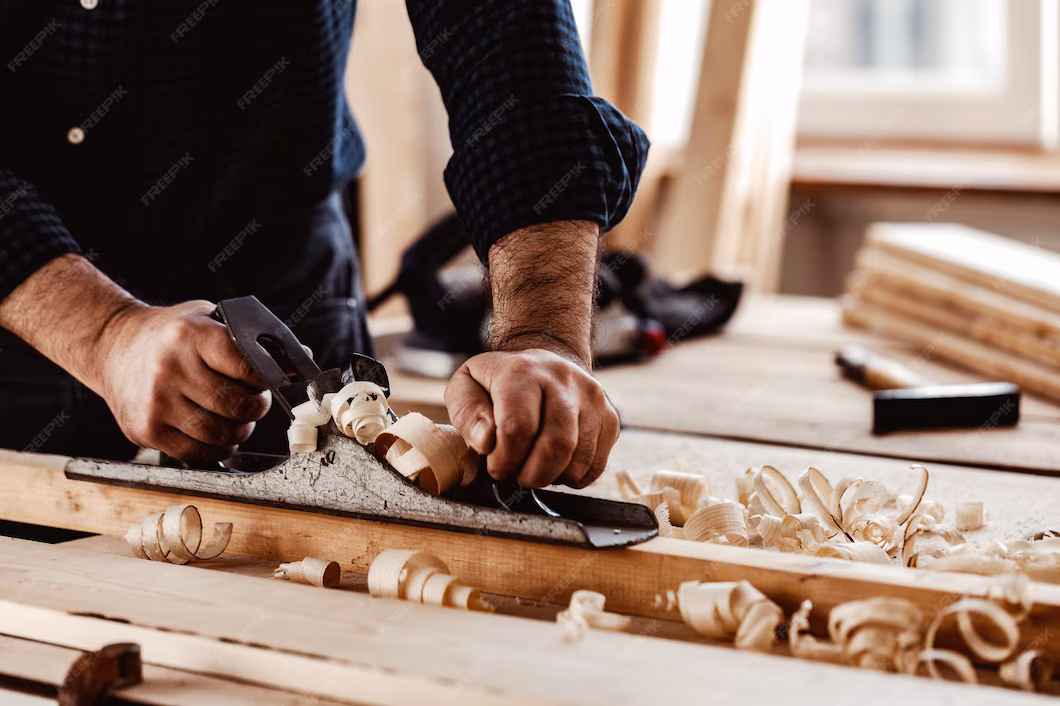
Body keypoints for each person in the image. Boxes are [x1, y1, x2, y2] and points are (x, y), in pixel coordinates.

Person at [0, 1, 648, 490]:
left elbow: (510, 43)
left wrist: (543, 337)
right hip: (22, 311)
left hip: (283, 294)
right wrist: (104, 332)